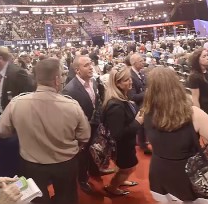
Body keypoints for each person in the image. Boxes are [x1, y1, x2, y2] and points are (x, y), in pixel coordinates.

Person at [0, 58, 90, 204]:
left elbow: (1, 131)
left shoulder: (17, 103)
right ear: (57, 79)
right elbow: (84, 136)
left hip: (31, 165)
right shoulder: (72, 105)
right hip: (66, 164)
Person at [137, 67, 208, 202]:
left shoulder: (145, 112)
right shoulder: (194, 113)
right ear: (177, 85)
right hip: (190, 174)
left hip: (159, 171)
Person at [62, 55, 114, 196]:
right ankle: (83, 180)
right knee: (82, 156)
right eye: (86, 65)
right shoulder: (69, 90)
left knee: (94, 151)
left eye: (91, 64)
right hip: (80, 131)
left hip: (94, 126)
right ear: (77, 70)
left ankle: (95, 170)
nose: (91, 67)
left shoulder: (94, 82)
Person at [102, 63, 141, 196]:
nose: (130, 81)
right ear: (117, 83)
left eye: (129, 78)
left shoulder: (122, 97)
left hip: (127, 144)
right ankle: (112, 188)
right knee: (129, 168)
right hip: (122, 146)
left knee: (124, 168)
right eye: (126, 80)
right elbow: (117, 134)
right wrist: (137, 122)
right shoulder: (116, 105)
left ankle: (120, 181)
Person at [0, 46, 34, 114]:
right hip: (1, 113)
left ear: (0, 58)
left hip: (14, 115)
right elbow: (3, 91)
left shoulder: (17, 72)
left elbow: (29, 93)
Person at [128, 53, 152, 155]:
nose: (143, 63)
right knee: (142, 122)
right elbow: (132, 96)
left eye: (143, 60)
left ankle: (145, 140)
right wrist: (147, 93)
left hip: (146, 103)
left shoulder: (141, 73)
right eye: (140, 61)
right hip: (137, 105)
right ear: (134, 63)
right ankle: (142, 144)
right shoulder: (130, 76)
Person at [186, 48, 208, 122]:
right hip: (203, 108)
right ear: (197, 60)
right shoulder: (194, 76)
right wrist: (199, 116)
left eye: (207, 55)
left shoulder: (207, 70)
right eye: (204, 56)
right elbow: (195, 98)